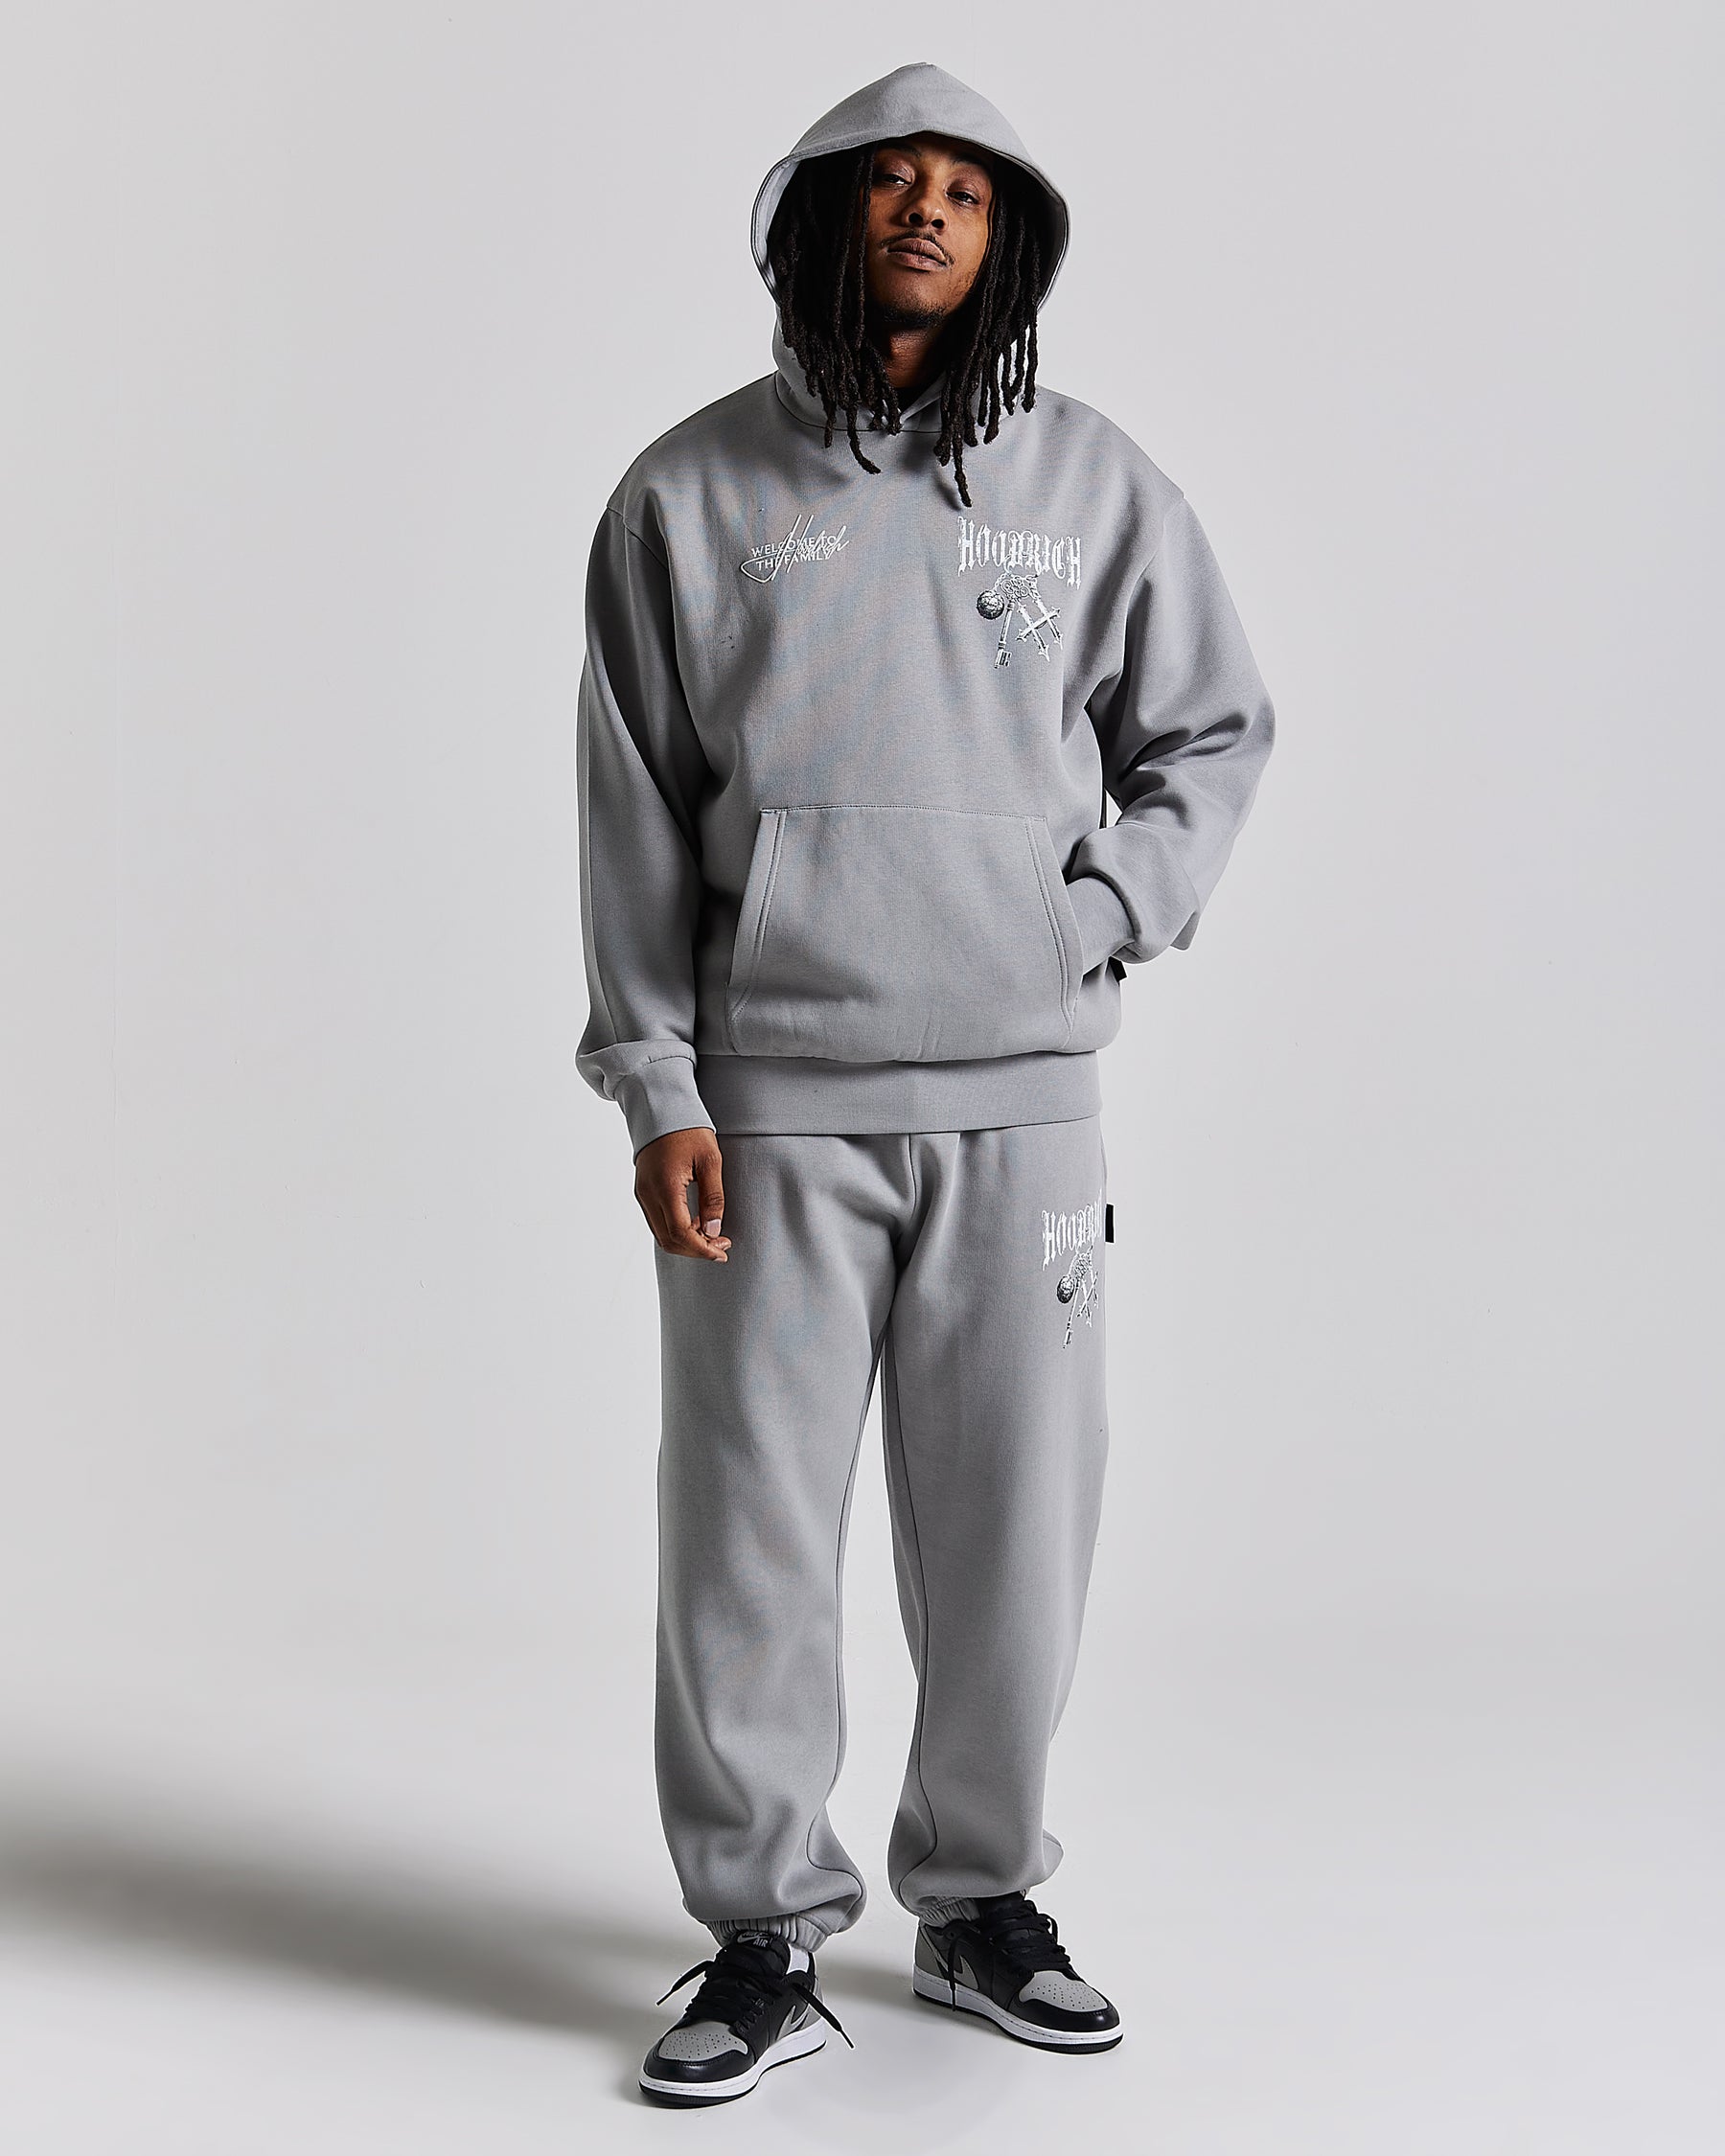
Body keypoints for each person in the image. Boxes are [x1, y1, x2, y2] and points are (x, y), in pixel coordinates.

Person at [576, 60, 1276, 2107]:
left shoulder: (1099, 487)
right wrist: (657, 1084)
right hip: (768, 1109)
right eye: (892, 180)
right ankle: (760, 1935)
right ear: (824, 215)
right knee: (746, 1538)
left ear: (1007, 238)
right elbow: (630, 811)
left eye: (967, 188)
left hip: (1023, 1106)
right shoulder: (686, 497)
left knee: (1014, 1529)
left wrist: (1104, 909)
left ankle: (977, 1900)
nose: (928, 209)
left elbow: (1212, 734)